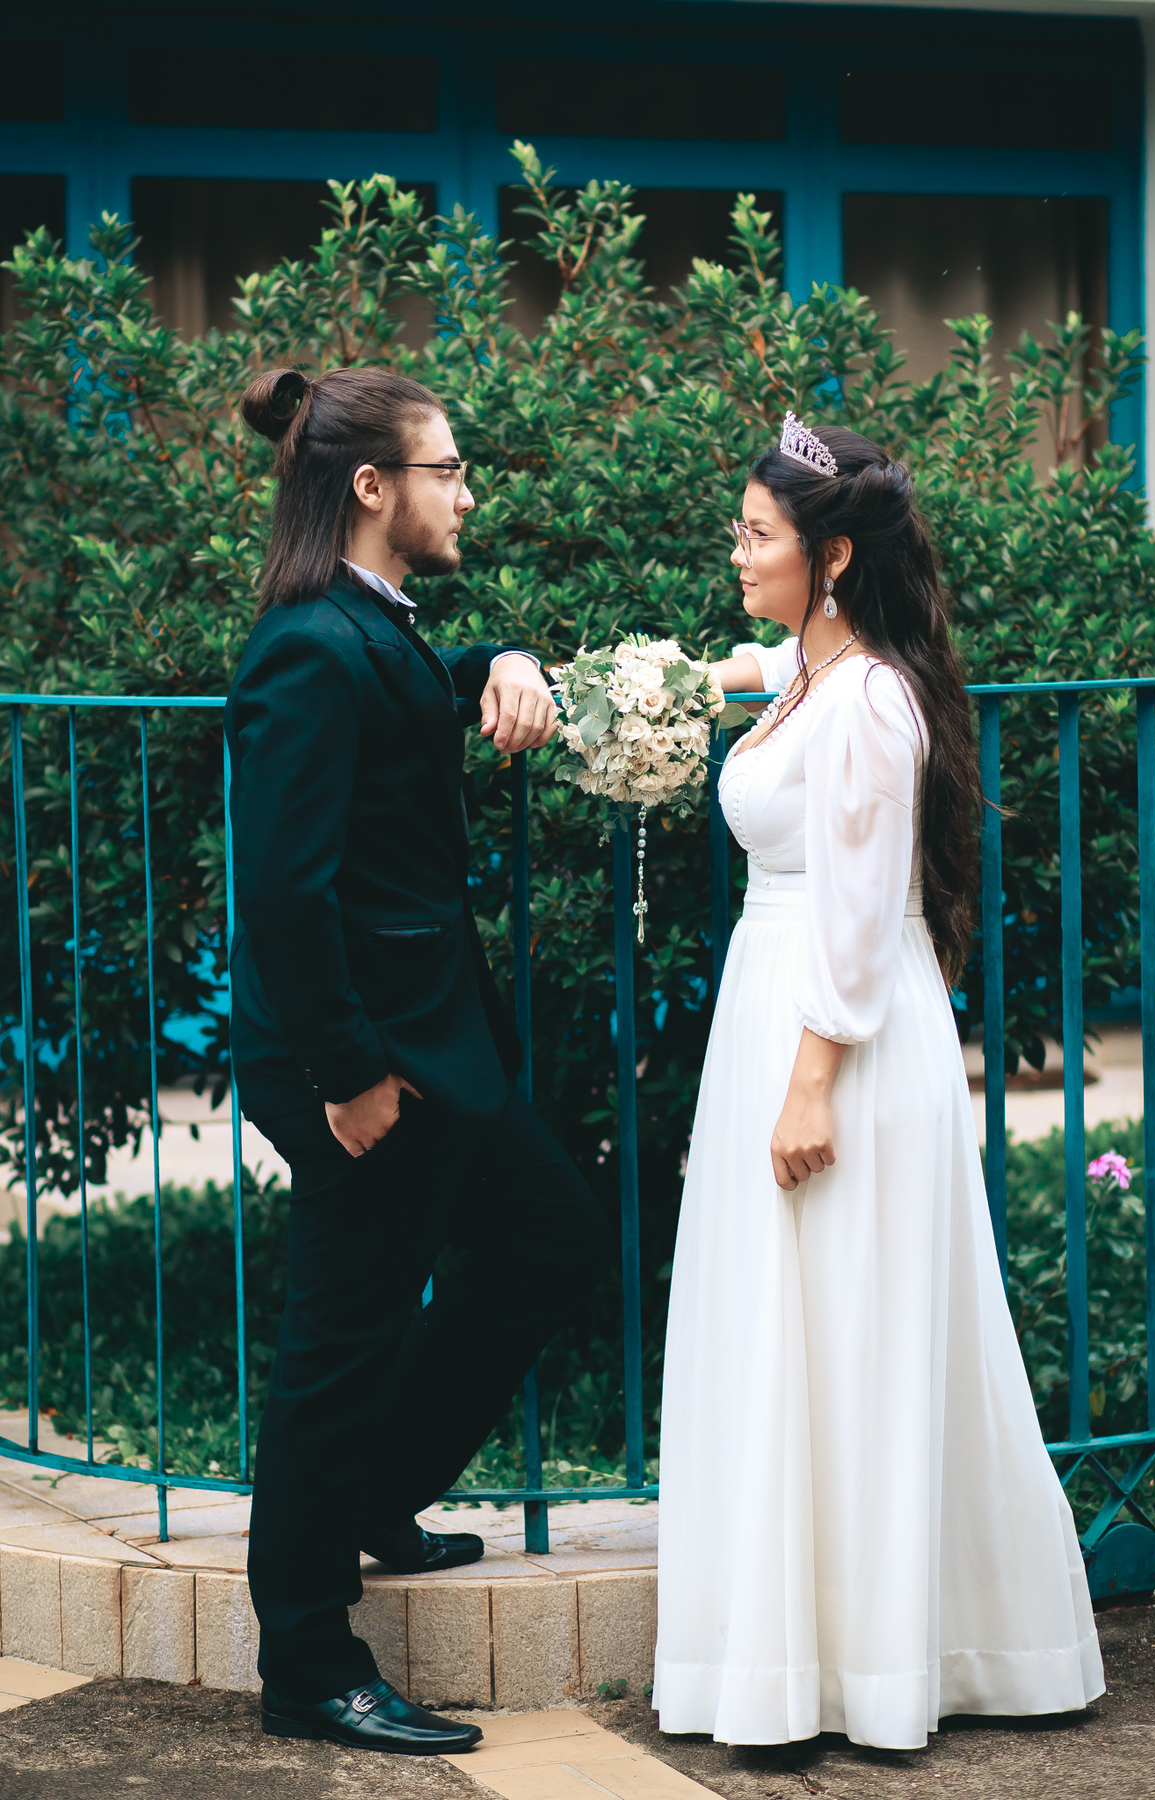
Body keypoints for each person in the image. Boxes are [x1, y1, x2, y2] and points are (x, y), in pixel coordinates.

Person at [652, 416, 1103, 1751]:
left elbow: (856, 913)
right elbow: (760, 671)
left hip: (831, 1034)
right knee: (794, 1337)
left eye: (757, 535)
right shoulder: (810, 671)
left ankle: (879, 1666)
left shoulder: (869, 702)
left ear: (832, 556)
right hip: (784, 1011)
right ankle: (800, 1656)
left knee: (852, 1337)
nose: (737, 552)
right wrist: (666, 681)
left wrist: (809, 1088)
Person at [225, 366, 610, 1756]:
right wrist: (347, 1076)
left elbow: (408, 689)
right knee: (340, 1343)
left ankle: (374, 1492)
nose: (467, 492)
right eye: (447, 469)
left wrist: (498, 658)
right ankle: (307, 1662)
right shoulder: (304, 647)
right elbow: (285, 891)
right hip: (365, 1067)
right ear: (372, 486)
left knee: (550, 1239)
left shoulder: (371, 625)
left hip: (434, 1049)